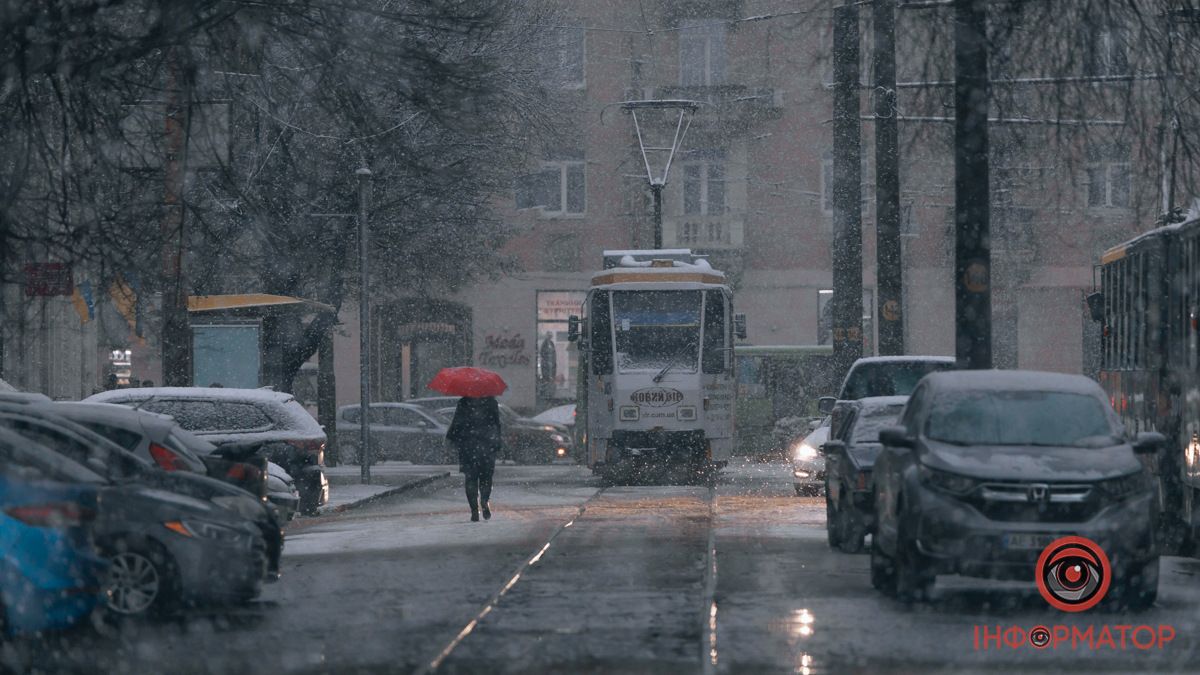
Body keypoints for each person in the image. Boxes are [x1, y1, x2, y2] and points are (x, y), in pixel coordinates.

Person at [446, 396, 502, 522]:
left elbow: (457, 423)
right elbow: (496, 424)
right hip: (487, 446)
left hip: (468, 447)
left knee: (470, 478)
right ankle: (484, 500)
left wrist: (451, 438)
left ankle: (474, 510)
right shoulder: (491, 402)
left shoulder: (463, 402)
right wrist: (496, 443)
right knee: (486, 477)